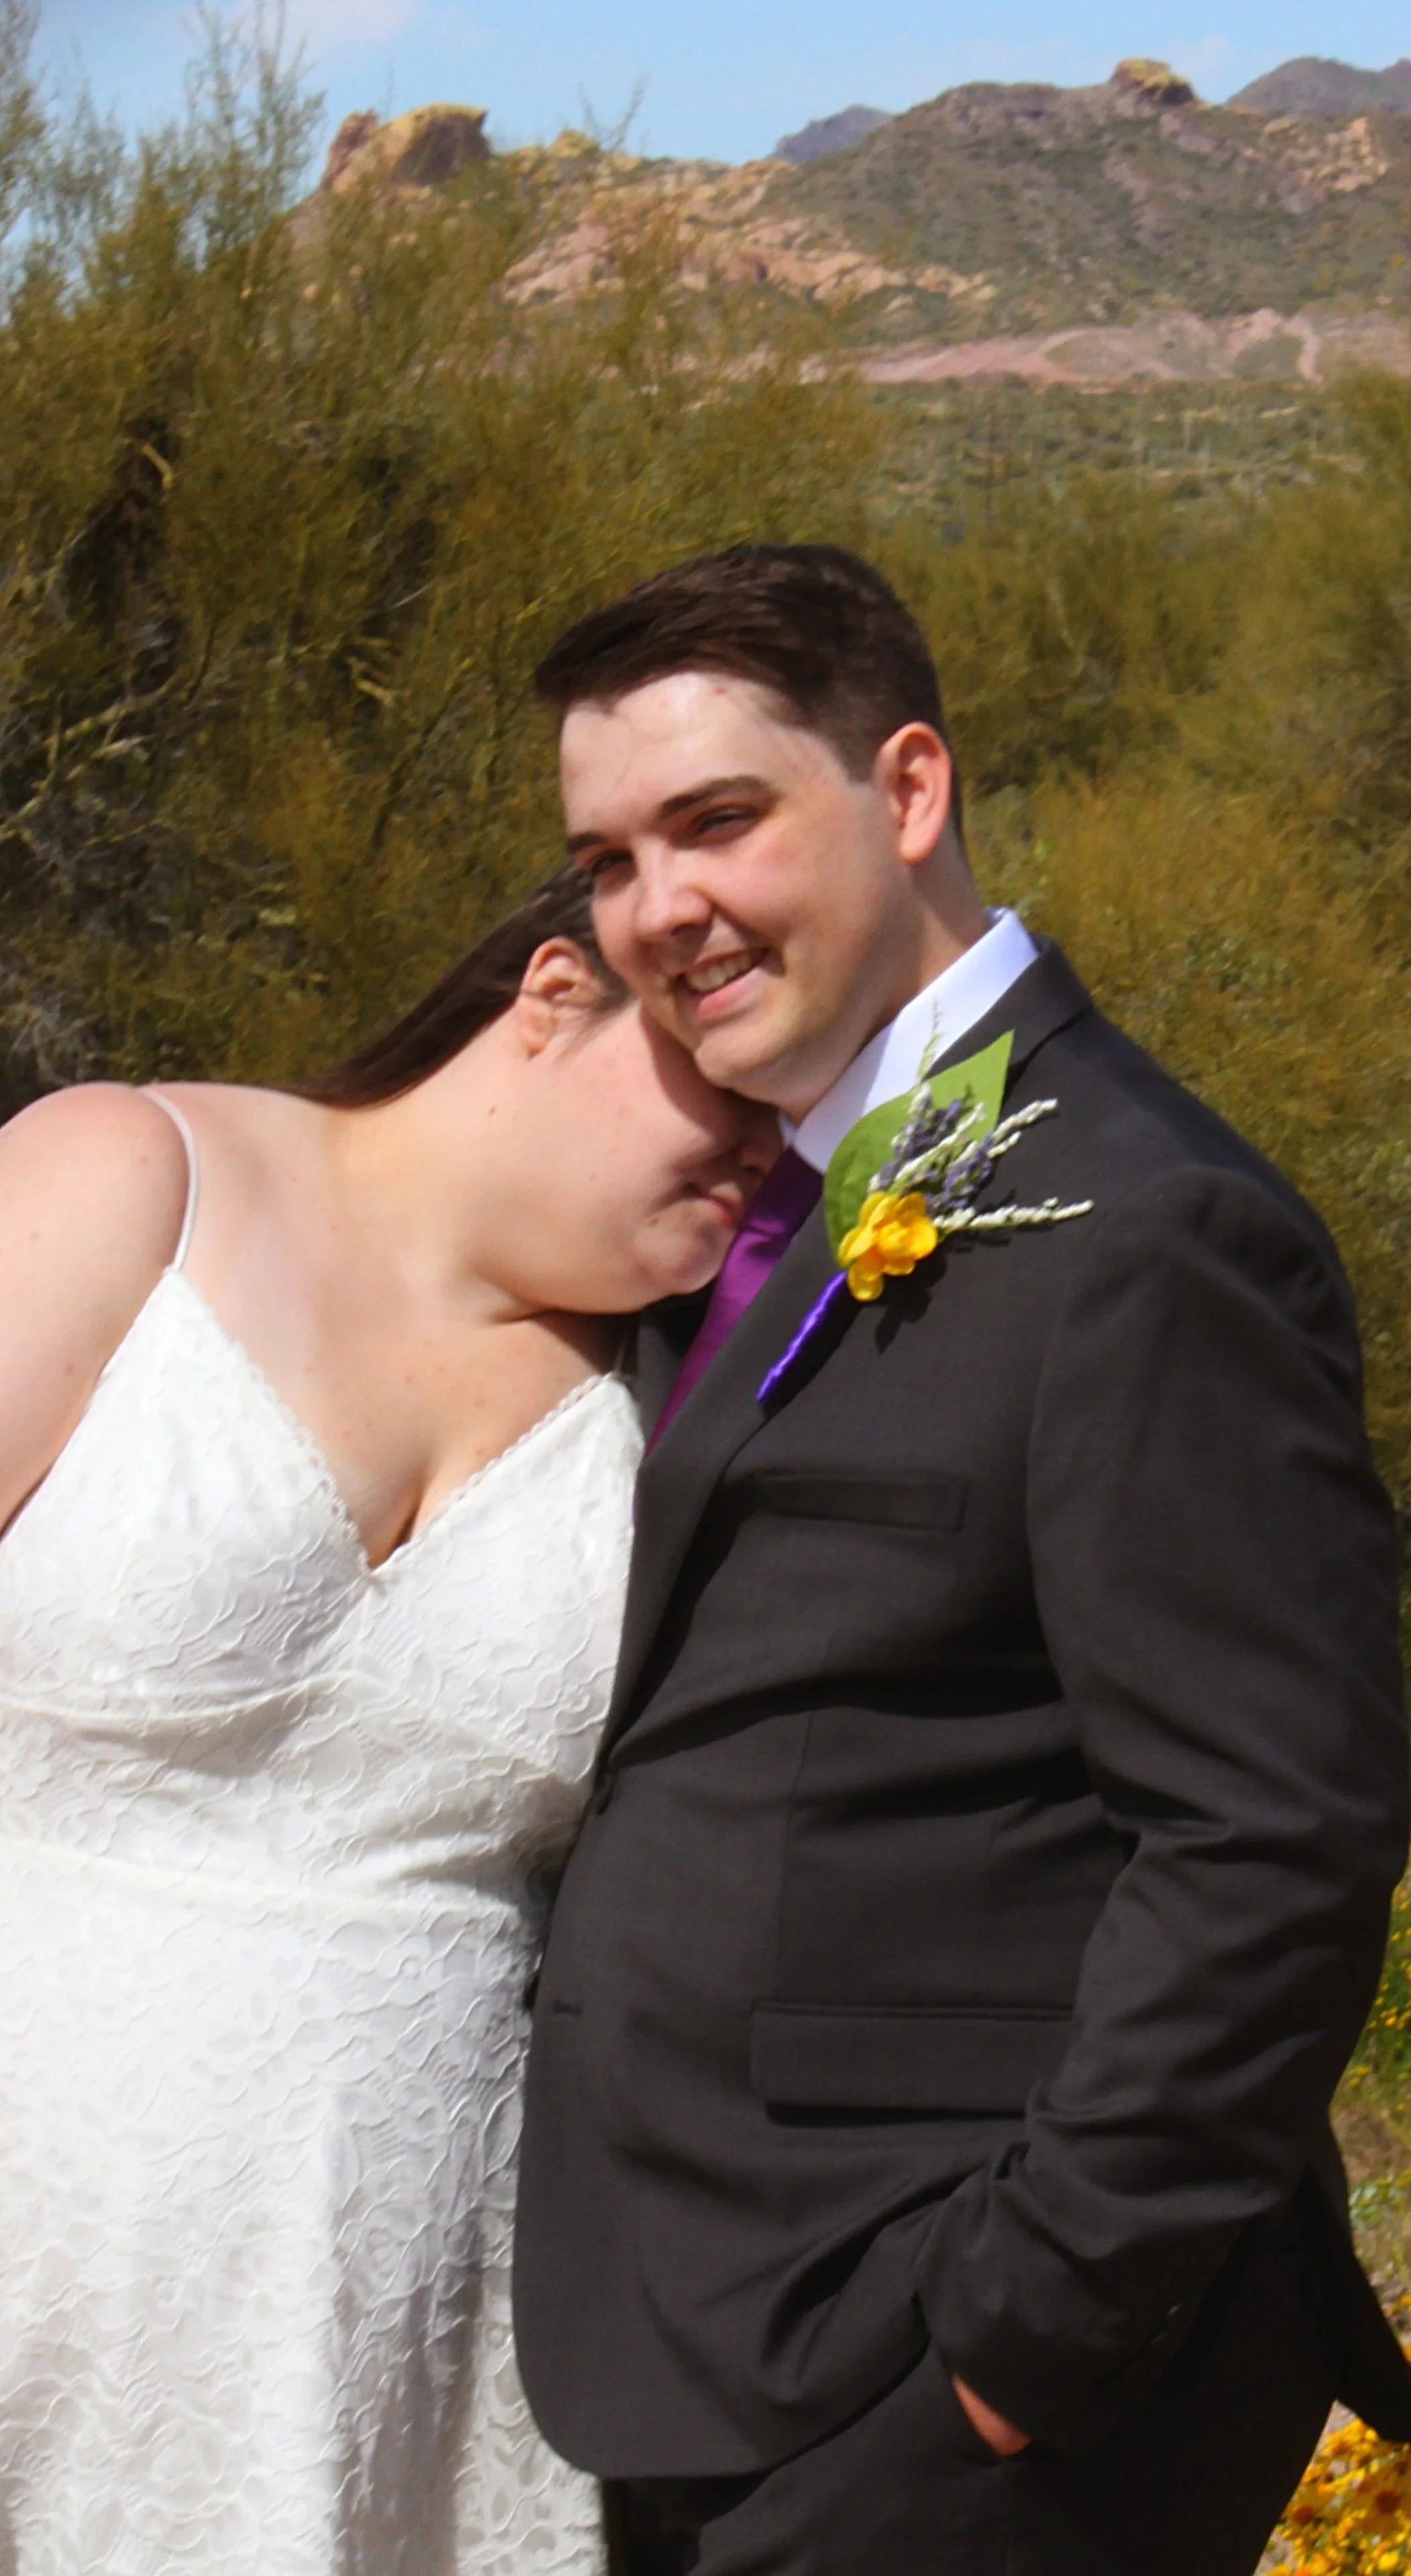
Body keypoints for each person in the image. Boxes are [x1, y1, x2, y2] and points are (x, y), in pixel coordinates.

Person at [512, 544, 1411, 2576]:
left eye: (717, 821)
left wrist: (1023, 2344)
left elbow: (1274, 1840)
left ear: (905, 791)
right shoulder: (770, 1201)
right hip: (698, 2343)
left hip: (946, 2400)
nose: (662, 908)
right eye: (608, 858)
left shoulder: (1152, 1228)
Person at [0, 866, 774, 2576]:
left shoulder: (681, 1399)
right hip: (8, 2250)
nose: (762, 1150)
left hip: (419, 2359)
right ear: (555, 993)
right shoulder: (135, 1179)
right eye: (724, 1083)